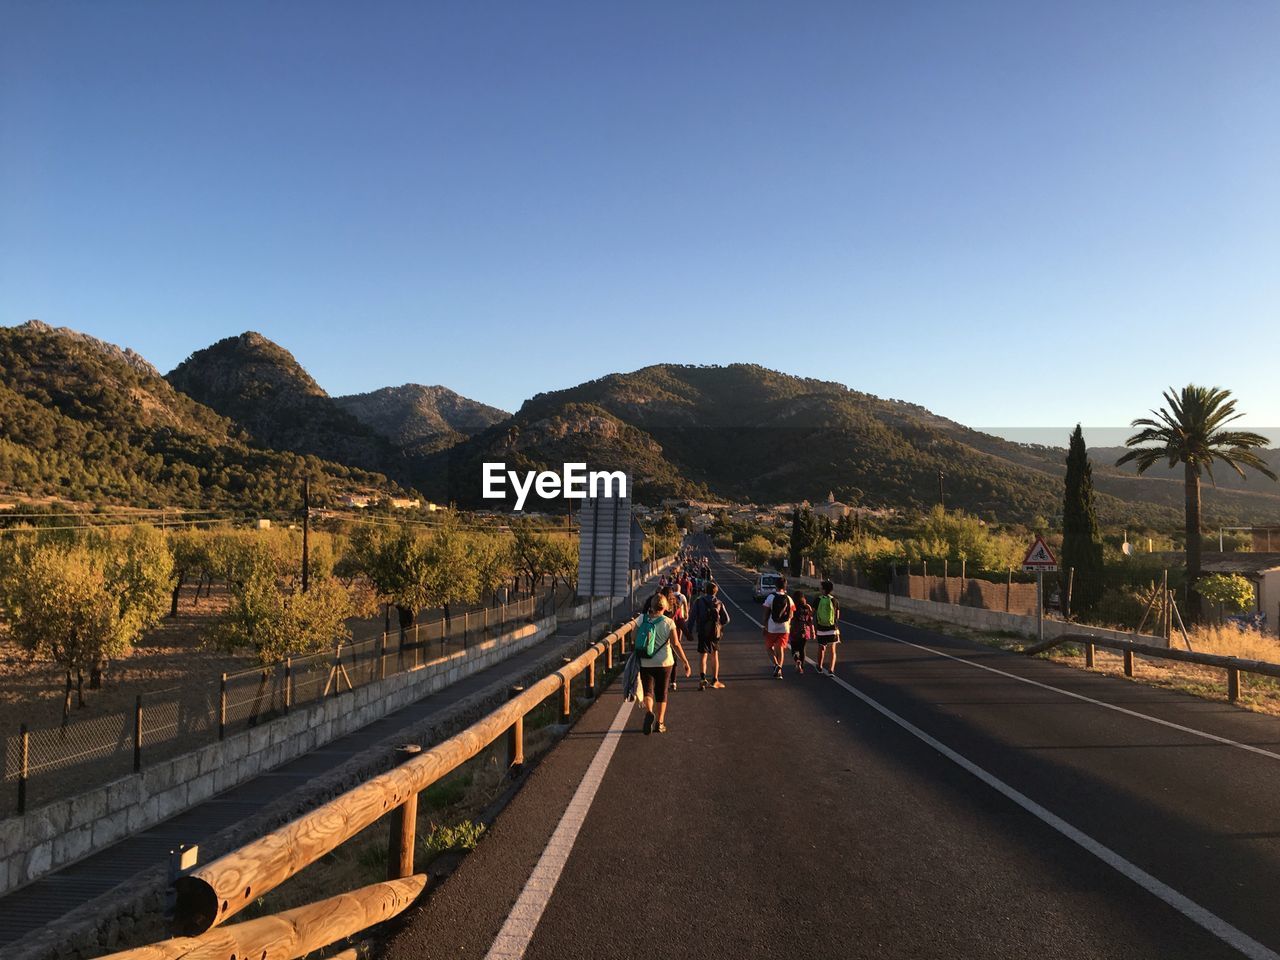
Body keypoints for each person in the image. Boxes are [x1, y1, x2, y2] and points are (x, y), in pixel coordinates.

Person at [634, 593, 691, 734]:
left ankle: (648, 711)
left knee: (648, 690)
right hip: (665, 662)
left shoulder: (641, 619)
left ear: (652, 606)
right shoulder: (669, 622)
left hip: (646, 661)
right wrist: (685, 662)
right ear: (665, 607)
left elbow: (633, 638)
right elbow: (676, 644)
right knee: (662, 692)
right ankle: (660, 723)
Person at [690, 580, 730, 689]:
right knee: (714, 655)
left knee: (703, 656)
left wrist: (689, 631)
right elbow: (726, 619)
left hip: (702, 632)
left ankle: (702, 678)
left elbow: (692, 618)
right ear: (715, 592)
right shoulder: (719, 603)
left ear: (705, 591)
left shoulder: (698, 602)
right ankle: (715, 680)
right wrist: (719, 625)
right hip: (714, 633)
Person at [761, 575, 793, 679]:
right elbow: (791, 614)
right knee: (781, 649)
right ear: (785, 586)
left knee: (769, 647)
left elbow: (766, 612)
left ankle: (776, 665)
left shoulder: (771, 597)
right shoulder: (788, 598)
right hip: (785, 628)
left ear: (776, 585)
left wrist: (764, 625)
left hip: (772, 627)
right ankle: (779, 671)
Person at [663, 582, 689, 690]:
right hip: (674, 634)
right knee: (673, 657)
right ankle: (673, 682)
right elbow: (682, 622)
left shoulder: (658, 608)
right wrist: (688, 634)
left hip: (659, 639)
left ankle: (661, 682)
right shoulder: (678, 604)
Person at [815, 579, 841, 675]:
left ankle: (820, 666)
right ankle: (831, 669)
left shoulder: (818, 599)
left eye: (821, 587)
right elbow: (837, 616)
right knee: (832, 650)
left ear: (824, 589)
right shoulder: (835, 601)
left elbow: (813, 612)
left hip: (821, 628)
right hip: (832, 629)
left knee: (821, 648)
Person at [790, 592, 815, 674]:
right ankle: (801, 668)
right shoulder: (806, 608)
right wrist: (812, 631)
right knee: (802, 650)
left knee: (793, 649)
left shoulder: (793, 608)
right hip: (804, 632)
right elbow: (810, 620)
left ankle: (797, 660)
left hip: (794, 631)